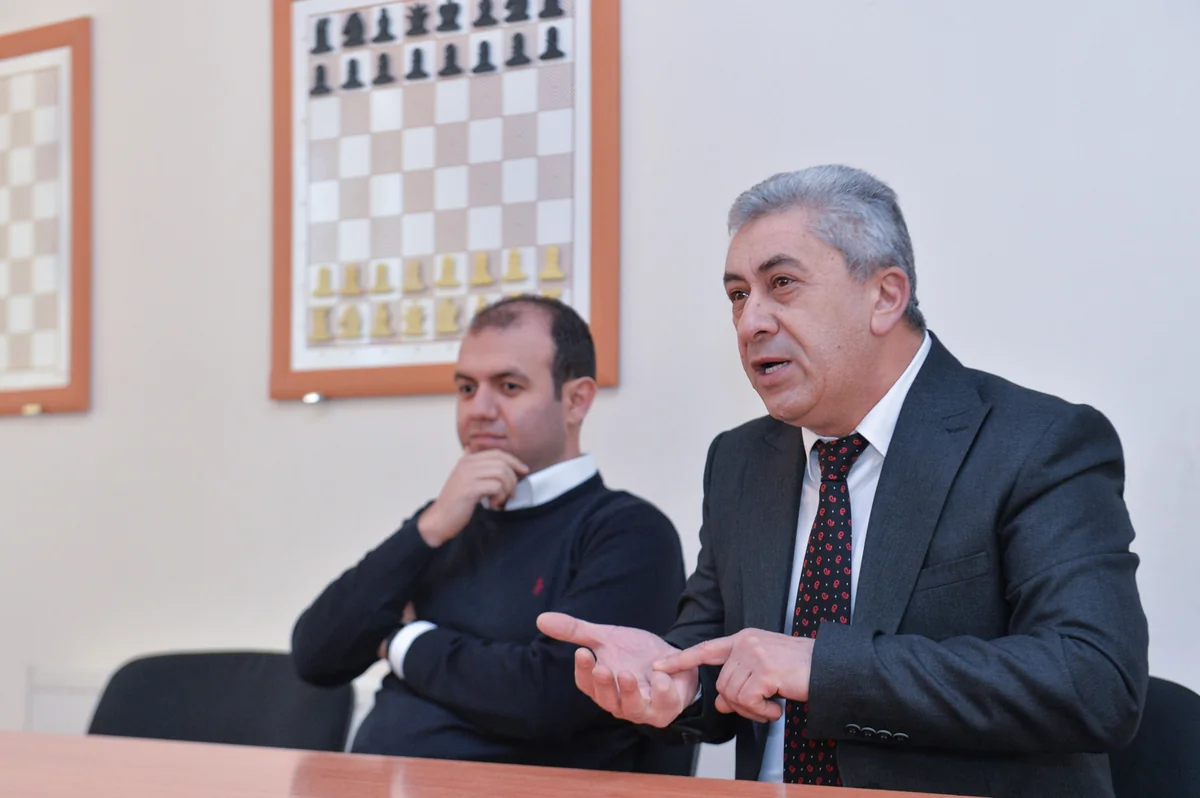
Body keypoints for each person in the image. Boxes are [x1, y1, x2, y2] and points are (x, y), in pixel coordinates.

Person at [538, 165, 1149, 797]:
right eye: (738, 295)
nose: (750, 323)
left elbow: (1095, 680)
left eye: (781, 284)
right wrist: (677, 678)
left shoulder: (1035, 443)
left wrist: (821, 668)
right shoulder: (740, 460)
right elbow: (719, 643)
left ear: (885, 296)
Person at [291, 296, 686, 771]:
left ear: (576, 400)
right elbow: (317, 656)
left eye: (509, 386)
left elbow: (545, 699)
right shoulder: (447, 522)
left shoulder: (629, 532)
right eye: (466, 388)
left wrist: (401, 641)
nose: (478, 409)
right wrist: (429, 527)